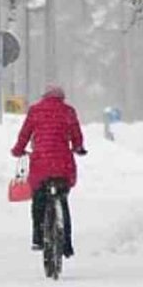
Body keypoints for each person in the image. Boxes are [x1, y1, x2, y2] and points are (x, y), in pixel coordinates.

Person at [11, 84, 86, 255]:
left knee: (39, 200)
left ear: (44, 96)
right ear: (62, 97)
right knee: (63, 202)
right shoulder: (68, 111)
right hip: (62, 165)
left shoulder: (35, 111)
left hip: (41, 164)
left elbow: (25, 134)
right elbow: (76, 135)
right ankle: (66, 244)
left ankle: (38, 237)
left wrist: (18, 150)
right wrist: (79, 147)